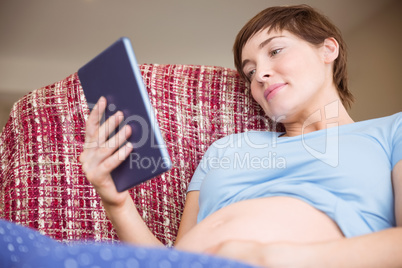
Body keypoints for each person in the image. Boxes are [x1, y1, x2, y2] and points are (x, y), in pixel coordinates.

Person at [61, 4, 402, 267]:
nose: (261, 75)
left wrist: (274, 258)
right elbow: (173, 259)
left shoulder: (390, 131)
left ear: (328, 49)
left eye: (276, 51)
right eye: (250, 72)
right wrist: (115, 199)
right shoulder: (226, 149)